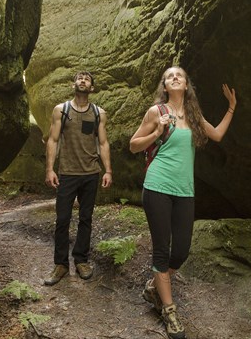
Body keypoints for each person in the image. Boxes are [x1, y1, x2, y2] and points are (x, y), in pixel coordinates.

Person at [129, 66, 236, 339]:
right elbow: (133, 144)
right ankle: (169, 311)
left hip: (184, 190)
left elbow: (217, 135)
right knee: (162, 250)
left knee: (182, 250)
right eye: (170, 76)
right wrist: (156, 133)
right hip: (157, 186)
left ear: (187, 85)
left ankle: (154, 285)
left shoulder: (193, 115)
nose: (175, 78)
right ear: (165, 86)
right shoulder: (157, 112)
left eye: (180, 76)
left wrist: (231, 107)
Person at [44, 71, 113, 285]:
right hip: (67, 173)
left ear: (92, 87)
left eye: (87, 79)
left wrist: (108, 170)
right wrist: (50, 169)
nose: (82, 80)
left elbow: (102, 143)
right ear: (73, 84)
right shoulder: (61, 110)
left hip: (90, 174)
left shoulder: (98, 113)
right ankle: (61, 264)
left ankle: (81, 260)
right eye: (79, 78)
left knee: (86, 218)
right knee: (62, 219)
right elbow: (53, 140)